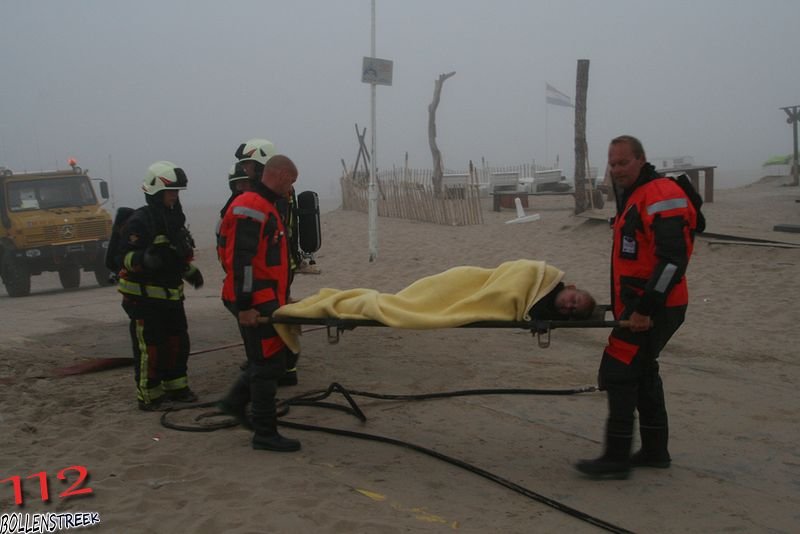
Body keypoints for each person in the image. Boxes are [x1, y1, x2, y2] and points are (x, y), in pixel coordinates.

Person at [575, 135, 700, 479]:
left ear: (641, 160)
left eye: (623, 162)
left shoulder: (661, 193)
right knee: (643, 370)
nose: (617, 169)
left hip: (655, 307)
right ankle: (655, 451)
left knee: (618, 370)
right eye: (612, 164)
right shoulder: (635, 196)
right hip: (640, 305)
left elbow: (673, 261)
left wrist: (644, 310)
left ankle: (616, 459)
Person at [216, 154, 302, 452]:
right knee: (267, 365)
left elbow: (270, 261)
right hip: (253, 300)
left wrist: (282, 298)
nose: (291, 189)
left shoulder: (266, 207)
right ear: (278, 175)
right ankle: (265, 433)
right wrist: (245, 306)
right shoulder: (251, 206)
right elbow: (243, 262)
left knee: (265, 361)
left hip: (265, 298)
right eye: (290, 182)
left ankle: (233, 403)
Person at [116, 161, 204, 411]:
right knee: (150, 348)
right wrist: (143, 259)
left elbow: (176, 257)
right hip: (143, 300)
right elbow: (123, 258)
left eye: (177, 192)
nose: (174, 197)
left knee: (177, 343)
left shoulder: (174, 219)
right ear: (155, 191)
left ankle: (176, 387)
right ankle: (149, 394)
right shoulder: (139, 222)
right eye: (171, 192)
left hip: (171, 298)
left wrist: (190, 272)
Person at [233, 138, 301, 386]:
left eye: (250, 167)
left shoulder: (270, 202)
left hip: (269, 286)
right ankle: (244, 404)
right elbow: (244, 259)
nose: (246, 172)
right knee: (266, 360)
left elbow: (251, 256)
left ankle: (244, 400)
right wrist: (244, 302)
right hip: (257, 289)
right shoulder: (255, 203)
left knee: (270, 356)